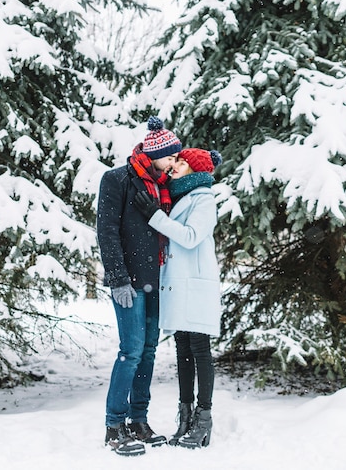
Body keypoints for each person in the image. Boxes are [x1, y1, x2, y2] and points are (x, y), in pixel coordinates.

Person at [96, 116, 182, 456]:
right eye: (171, 157)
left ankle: (138, 420)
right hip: (129, 282)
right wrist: (117, 278)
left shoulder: (164, 186)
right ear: (156, 153)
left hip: (158, 280)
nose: (174, 163)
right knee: (130, 350)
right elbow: (107, 232)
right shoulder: (117, 179)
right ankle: (114, 424)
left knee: (148, 350)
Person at [133, 147, 222, 449]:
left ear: (195, 170)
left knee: (199, 349)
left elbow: (189, 236)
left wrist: (155, 216)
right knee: (183, 350)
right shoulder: (180, 197)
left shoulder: (204, 200)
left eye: (181, 163)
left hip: (195, 284)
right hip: (178, 284)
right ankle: (185, 417)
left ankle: (204, 417)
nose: (174, 166)